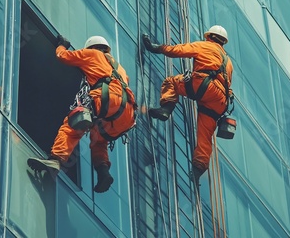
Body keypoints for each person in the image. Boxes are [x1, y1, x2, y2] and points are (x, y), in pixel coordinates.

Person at [28, 35, 137, 193]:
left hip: (108, 99)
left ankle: (56, 159)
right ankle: (103, 173)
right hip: (126, 114)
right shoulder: (120, 68)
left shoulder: (92, 54)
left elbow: (64, 57)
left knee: (72, 124)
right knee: (99, 141)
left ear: (91, 47)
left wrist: (61, 46)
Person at [142, 25, 234, 185]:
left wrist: (156, 48)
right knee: (205, 136)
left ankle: (166, 109)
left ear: (209, 37)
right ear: (223, 42)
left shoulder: (204, 45)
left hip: (204, 85)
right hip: (220, 100)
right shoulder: (229, 62)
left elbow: (179, 50)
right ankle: (198, 170)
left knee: (171, 82)